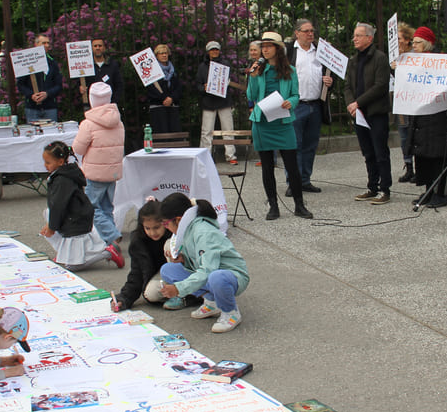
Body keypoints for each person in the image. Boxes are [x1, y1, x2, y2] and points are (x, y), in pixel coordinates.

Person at [158, 193, 250, 333]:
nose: (166, 227)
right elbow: (198, 262)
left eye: (166, 224)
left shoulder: (203, 232)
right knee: (168, 270)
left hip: (232, 276)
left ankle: (230, 312)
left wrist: (178, 288)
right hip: (211, 273)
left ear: (178, 220)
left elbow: (207, 270)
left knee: (216, 277)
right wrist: (184, 259)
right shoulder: (187, 229)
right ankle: (212, 301)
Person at [247, 31, 313, 220]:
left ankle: (299, 205)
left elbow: (295, 95)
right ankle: (273, 206)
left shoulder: (289, 70)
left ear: (278, 49)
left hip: (283, 122)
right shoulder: (259, 70)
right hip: (263, 124)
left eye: (268, 46)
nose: (265, 49)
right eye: (263, 46)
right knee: (267, 167)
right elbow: (251, 96)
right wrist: (253, 76)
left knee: (292, 166)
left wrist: (290, 102)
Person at [39, 140, 123, 270]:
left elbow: (58, 206)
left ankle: (107, 253)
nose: (45, 166)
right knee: (48, 214)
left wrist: (52, 226)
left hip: (75, 218)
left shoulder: (62, 180)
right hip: (73, 215)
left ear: (60, 162)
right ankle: (65, 254)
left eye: (48, 162)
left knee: (72, 267)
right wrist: (51, 224)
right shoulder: (62, 174)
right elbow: (55, 206)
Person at [404, 27, 447, 207]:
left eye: (417, 42)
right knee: (422, 154)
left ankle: (439, 193)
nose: (414, 45)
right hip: (420, 113)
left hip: (436, 114)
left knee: (436, 154)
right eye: (413, 42)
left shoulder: (439, 60)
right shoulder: (414, 61)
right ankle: (428, 190)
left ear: (426, 43)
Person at [345, 22, 393, 205]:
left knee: (380, 152)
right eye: (354, 36)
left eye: (358, 35)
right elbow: (347, 85)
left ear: (369, 38)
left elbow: (380, 86)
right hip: (359, 114)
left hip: (376, 112)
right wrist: (351, 104)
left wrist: (359, 102)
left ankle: (385, 188)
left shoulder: (380, 58)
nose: (354, 39)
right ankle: (372, 186)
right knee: (368, 152)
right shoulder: (353, 60)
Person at [72, 82, 124, 250]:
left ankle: (112, 236)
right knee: (107, 207)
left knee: (91, 207)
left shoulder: (88, 124)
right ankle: (110, 242)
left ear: (91, 100)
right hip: (113, 172)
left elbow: (78, 149)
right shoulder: (118, 122)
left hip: (94, 173)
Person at [285, 19, 333, 195]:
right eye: (306, 31)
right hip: (296, 105)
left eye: (312, 31)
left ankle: (305, 180)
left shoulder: (320, 52)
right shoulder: (289, 51)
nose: (310, 34)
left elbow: (329, 74)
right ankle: (293, 182)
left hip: (315, 104)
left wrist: (330, 81)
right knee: (293, 145)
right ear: (297, 33)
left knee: (310, 145)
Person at [109, 198, 170, 312]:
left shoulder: (173, 234)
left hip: (181, 273)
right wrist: (124, 298)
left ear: (165, 223)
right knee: (151, 293)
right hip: (162, 276)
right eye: (147, 228)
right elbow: (136, 273)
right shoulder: (139, 242)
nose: (152, 233)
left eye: (156, 227)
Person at [197, 41, 238, 164]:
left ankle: (231, 155)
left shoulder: (225, 64)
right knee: (206, 131)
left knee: (228, 129)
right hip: (208, 102)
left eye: (216, 49)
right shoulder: (202, 66)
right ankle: (205, 156)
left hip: (224, 101)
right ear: (208, 51)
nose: (214, 52)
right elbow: (198, 85)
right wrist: (204, 88)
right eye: (212, 50)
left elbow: (227, 81)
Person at [16, 35, 63, 123]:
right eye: (44, 43)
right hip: (32, 108)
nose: (47, 45)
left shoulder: (53, 63)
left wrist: (47, 94)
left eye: (48, 43)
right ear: (36, 44)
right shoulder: (27, 62)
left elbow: (58, 85)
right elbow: (20, 85)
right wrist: (31, 95)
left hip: (50, 107)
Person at [392, 23, 417, 183]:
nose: (397, 42)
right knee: (403, 136)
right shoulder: (395, 57)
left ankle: (419, 168)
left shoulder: (415, 56)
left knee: (415, 135)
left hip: (414, 102)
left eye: (399, 39)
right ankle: (408, 167)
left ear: (407, 40)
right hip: (401, 102)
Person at [145, 44, 183, 134]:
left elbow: (178, 87)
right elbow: (151, 89)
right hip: (158, 107)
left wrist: (171, 98)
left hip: (172, 107)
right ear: (156, 55)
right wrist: (164, 98)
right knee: (161, 135)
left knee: (174, 136)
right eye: (161, 53)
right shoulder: (151, 70)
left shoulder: (173, 70)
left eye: (166, 53)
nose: (164, 55)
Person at [82, 38, 125, 106]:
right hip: (92, 106)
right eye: (95, 46)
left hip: (109, 105)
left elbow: (119, 85)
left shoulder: (113, 65)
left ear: (104, 48)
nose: (97, 48)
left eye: (100, 46)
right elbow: (81, 83)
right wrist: (81, 88)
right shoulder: (86, 65)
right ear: (91, 48)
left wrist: (113, 102)